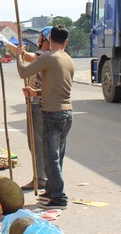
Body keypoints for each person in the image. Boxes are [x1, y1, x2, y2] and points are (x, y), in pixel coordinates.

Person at [14, 25, 74, 209]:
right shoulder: (68, 59)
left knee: (51, 158)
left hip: (52, 113)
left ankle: (59, 198)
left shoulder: (49, 57)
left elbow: (23, 72)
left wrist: (18, 54)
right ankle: (51, 190)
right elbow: (57, 89)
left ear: (49, 39)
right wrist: (36, 93)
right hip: (66, 113)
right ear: (65, 42)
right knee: (57, 157)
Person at [0, 26, 52, 190]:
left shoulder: (45, 56)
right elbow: (24, 55)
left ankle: (41, 178)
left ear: (44, 39)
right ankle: (43, 177)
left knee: (36, 143)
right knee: (38, 142)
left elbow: (25, 56)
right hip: (39, 103)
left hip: (38, 104)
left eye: (40, 37)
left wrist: (6, 43)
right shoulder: (49, 56)